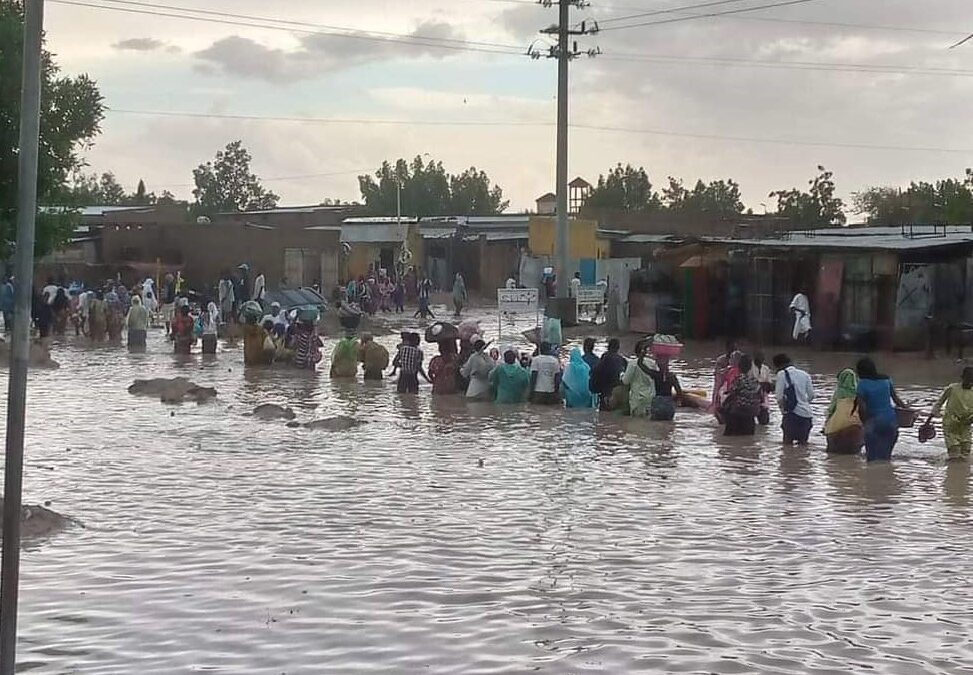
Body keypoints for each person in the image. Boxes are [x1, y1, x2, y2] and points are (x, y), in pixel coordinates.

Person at [853, 357, 909, 462]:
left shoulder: (862, 384)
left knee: (872, 460)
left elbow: (862, 409)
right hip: (891, 422)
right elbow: (896, 399)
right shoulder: (886, 380)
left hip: (874, 423)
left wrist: (865, 424)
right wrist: (909, 410)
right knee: (886, 459)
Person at [927, 367, 973, 461]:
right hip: (950, 424)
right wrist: (929, 419)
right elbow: (939, 403)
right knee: (954, 452)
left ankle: (962, 473)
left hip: (966, 424)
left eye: (972, 380)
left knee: (966, 450)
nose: (970, 383)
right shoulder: (952, 388)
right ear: (962, 378)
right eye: (968, 379)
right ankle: (953, 472)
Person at [773, 354, 815, 446]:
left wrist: (783, 411)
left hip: (792, 416)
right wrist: (803, 402)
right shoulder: (805, 374)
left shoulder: (781, 374)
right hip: (806, 416)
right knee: (803, 448)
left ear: (778, 366)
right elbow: (811, 395)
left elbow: (779, 397)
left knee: (787, 448)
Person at [823, 368, 864, 454]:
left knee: (830, 449)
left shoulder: (839, 392)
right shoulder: (860, 392)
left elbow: (831, 409)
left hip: (839, 423)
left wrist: (826, 422)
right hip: (856, 421)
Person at [721, 354, 762, 435]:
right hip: (751, 414)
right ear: (750, 367)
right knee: (748, 440)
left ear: (739, 366)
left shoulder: (739, 379)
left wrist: (724, 405)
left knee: (729, 439)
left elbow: (732, 393)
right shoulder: (755, 381)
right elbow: (759, 396)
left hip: (738, 412)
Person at [589, 338, 628, 411]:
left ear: (608, 347)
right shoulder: (622, 361)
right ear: (618, 348)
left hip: (606, 393)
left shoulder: (605, 359)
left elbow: (594, 373)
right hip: (619, 395)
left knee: (604, 418)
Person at [621, 340, 657, 417]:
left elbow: (625, 381)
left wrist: (621, 375)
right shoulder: (652, 363)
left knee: (636, 424)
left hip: (637, 399)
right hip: (650, 398)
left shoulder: (632, 364)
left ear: (635, 351)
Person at [751, 351, 774, 425]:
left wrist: (763, 385)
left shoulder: (765, 368)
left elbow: (769, 384)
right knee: (751, 420)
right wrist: (762, 384)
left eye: (762, 358)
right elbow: (749, 382)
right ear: (754, 359)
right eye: (758, 358)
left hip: (763, 397)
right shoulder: (750, 367)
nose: (761, 360)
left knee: (764, 422)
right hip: (751, 397)